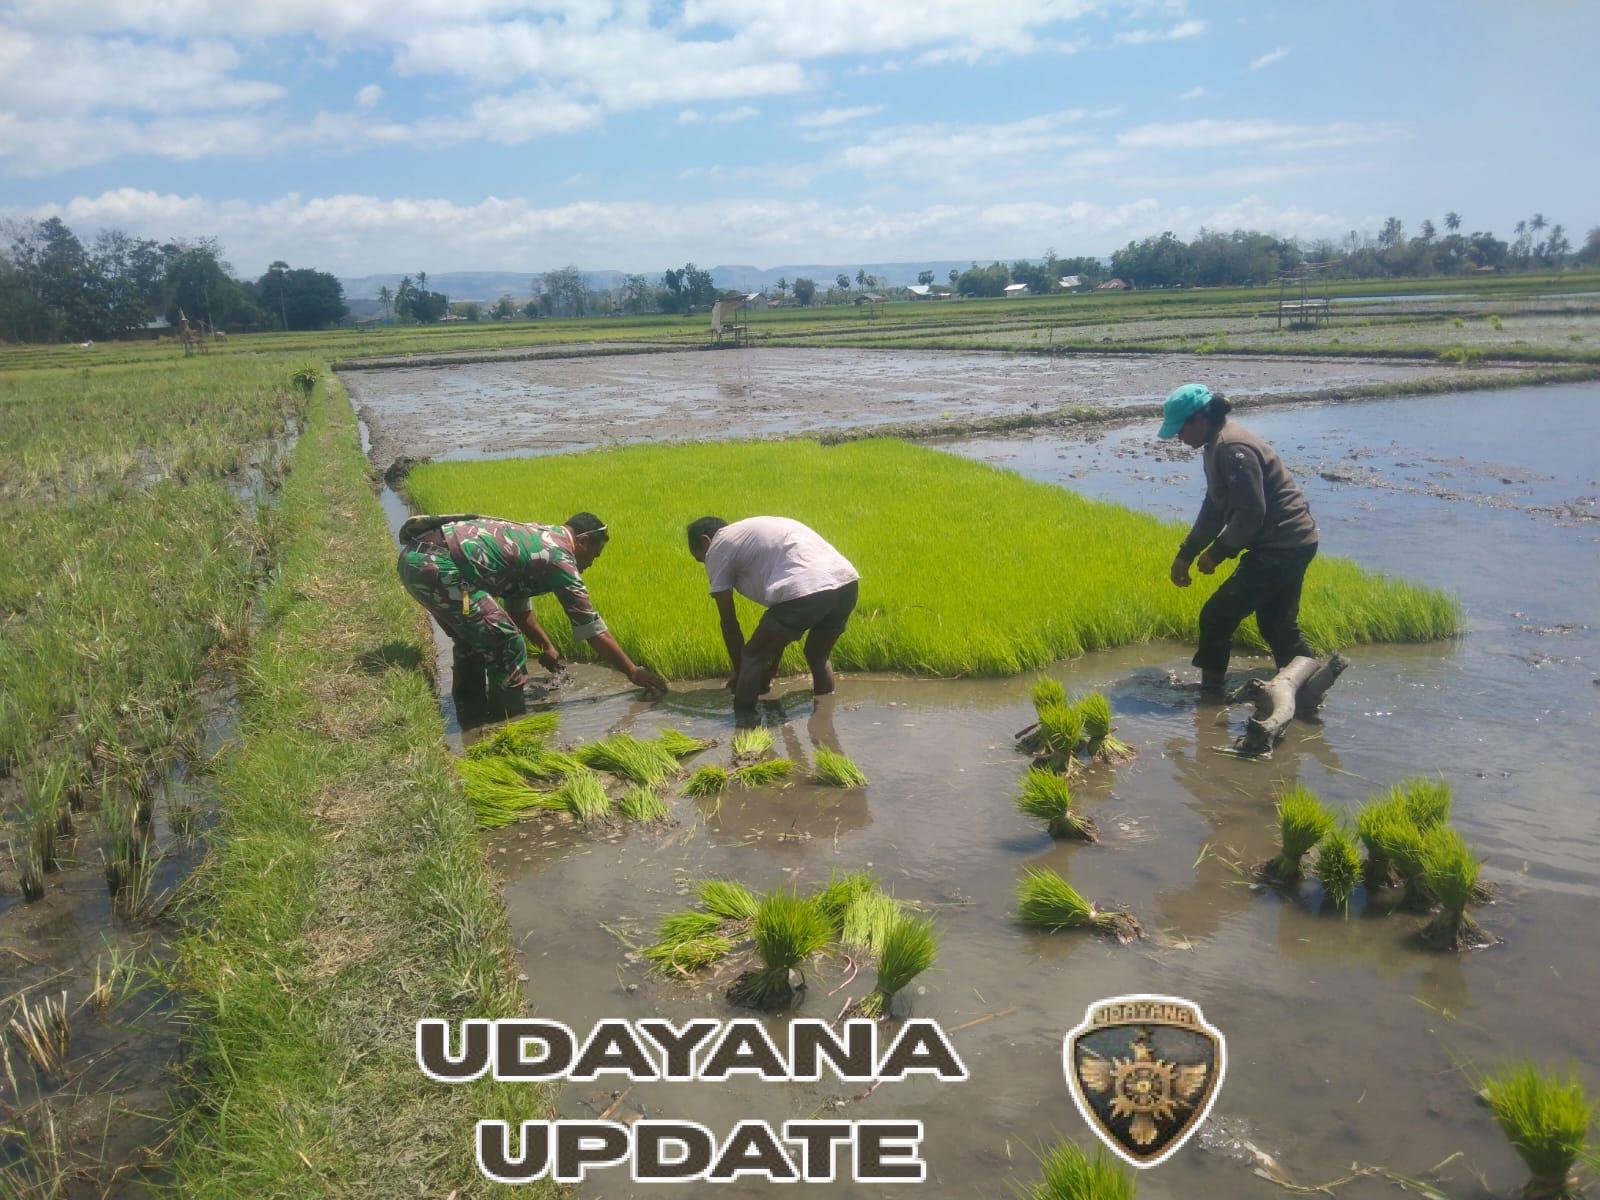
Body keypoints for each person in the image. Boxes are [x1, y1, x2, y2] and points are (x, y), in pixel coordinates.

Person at [397, 511, 667, 697]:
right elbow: (591, 629)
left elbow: (519, 610)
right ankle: (510, 720)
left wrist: (546, 646)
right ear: (582, 541)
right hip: (442, 570)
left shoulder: (538, 539)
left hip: (425, 566)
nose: (591, 564)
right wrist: (632, 671)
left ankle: (472, 713)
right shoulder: (560, 558)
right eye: (594, 555)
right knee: (505, 639)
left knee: (473, 636)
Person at [1159, 384, 1320, 693]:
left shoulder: (1233, 449)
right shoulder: (1215, 444)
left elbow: (1250, 515)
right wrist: (1187, 552)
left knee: (1217, 616)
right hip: (1292, 540)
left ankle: (1211, 696)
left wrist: (1217, 553)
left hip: (1282, 545)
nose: (1179, 439)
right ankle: (1309, 689)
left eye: (1180, 430)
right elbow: (1214, 507)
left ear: (1200, 420)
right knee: (1277, 626)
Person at [686, 515, 860, 710]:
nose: (706, 565)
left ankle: (743, 727)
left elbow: (729, 622)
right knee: (818, 655)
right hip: (846, 583)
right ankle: (825, 717)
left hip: (805, 588)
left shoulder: (719, 546)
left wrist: (742, 670)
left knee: (752, 656)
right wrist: (764, 672)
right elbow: (778, 631)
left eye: (701, 559)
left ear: (705, 541)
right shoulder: (750, 533)